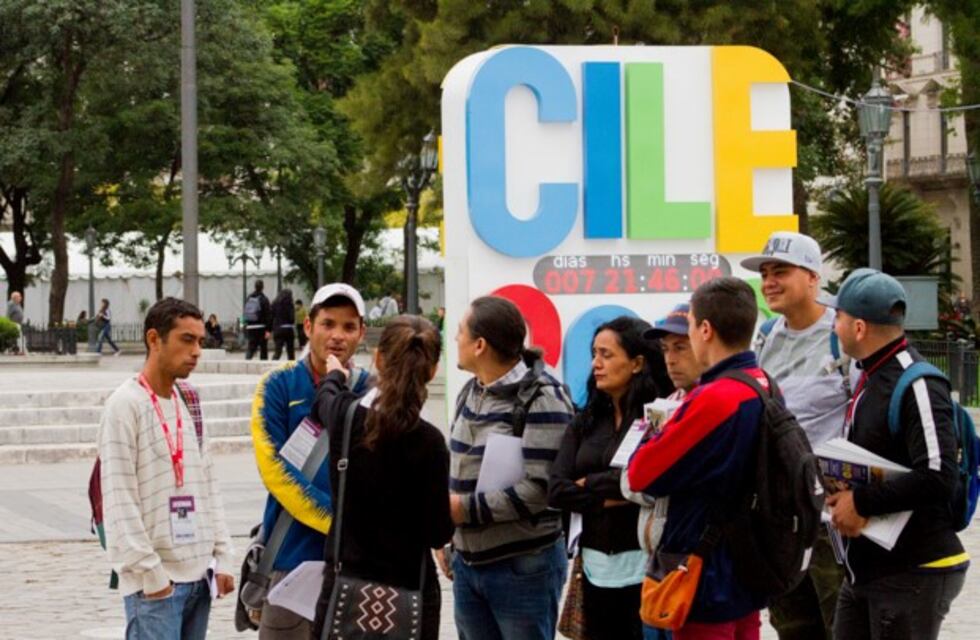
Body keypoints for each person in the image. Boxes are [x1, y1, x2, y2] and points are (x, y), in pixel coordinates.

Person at [825, 268, 967, 640]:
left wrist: (861, 501)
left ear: (858, 327)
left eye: (837, 317)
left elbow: (938, 475)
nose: (833, 327)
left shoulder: (917, 382)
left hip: (913, 570)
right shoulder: (872, 375)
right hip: (869, 570)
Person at [627, 277, 769, 640]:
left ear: (705, 329)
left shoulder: (715, 398)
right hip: (746, 568)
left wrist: (653, 438)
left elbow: (640, 473)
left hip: (705, 578)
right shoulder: (761, 382)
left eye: (687, 331)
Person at [96, 297, 235, 639]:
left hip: (199, 579)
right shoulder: (125, 405)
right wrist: (152, 577)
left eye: (201, 341)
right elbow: (119, 499)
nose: (197, 351)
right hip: (155, 586)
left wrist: (222, 555)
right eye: (187, 340)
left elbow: (207, 483)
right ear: (154, 339)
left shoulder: (189, 400)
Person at [442, 295, 575, 640]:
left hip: (522, 568)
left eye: (460, 332)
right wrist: (448, 537)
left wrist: (460, 510)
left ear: (480, 344)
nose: (455, 339)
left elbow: (541, 490)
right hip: (468, 566)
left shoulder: (543, 398)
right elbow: (457, 468)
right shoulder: (471, 391)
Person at [310, 315, 452, 639]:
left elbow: (324, 401)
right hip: (410, 595)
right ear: (432, 370)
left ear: (378, 358)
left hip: (345, 592)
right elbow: (437, 533)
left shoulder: (346, 417)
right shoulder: (430, 442)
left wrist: (334, 375)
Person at [741, 231, 849, 640]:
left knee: (843, 627)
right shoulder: (767, 336)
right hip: (782, 522)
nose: (769, 281)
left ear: (812, 277)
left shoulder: (842, 336)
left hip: (831, 524)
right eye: (765, 273)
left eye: (780, 271)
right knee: (793, 630)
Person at [250, 283, 372, 639]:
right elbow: (275, 470)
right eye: (328, 323)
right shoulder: (277, 385)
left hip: (358, 564)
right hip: (291, 560)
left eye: (349, 327)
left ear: (362, 333)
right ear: (308, 326)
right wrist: (337, 522)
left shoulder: (373, 391)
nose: (337, 336)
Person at [548, 316, 671, 640]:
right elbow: (557, 490)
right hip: (594, 570)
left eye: (607, 354)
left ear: (637, 363)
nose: (596, 364)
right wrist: (619, 492)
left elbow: (655, 483)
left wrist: (591, 485)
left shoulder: (658, 419)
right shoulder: (585, 422)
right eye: (594, 354)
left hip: (647, 569)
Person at [622, 303, 703, 640]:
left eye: (680, 347)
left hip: (693, 565)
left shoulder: (712, 403)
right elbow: (627, 479)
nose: (670, 358)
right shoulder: (662, 405)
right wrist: (657, 481)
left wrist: (655, 479)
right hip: (654, 562)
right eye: (666, 349)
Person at [245, 280, 272, 360]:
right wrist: (268, 329)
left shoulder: (249, 298)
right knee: (263, 348)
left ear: (255, 287)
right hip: (261, 327)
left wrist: (245, 325)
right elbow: (268, 315)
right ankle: (263, 367)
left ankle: (247, 362)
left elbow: (245, 312)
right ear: (262, 287)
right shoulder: (264, 299)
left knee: (251, 348)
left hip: (250, 327)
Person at [271, 288, 296, 360]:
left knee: (278, 351)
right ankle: (292, 368)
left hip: (278, 329)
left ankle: (272, 366)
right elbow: (292, 319)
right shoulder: (290, 304)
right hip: (288, 329)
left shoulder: (275, 303)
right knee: (290, 352)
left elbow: (271, 316)